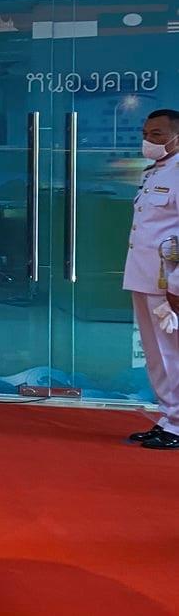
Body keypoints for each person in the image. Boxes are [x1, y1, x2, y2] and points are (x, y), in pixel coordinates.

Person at [123, 108, 179, 450]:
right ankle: (168, 416)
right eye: (146, 133)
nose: (149, 140)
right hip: (144, 277)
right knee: (156, 354)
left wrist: (176, 284)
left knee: (171, 353)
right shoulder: (155, 172)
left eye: (157, 134)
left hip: (167, 282)